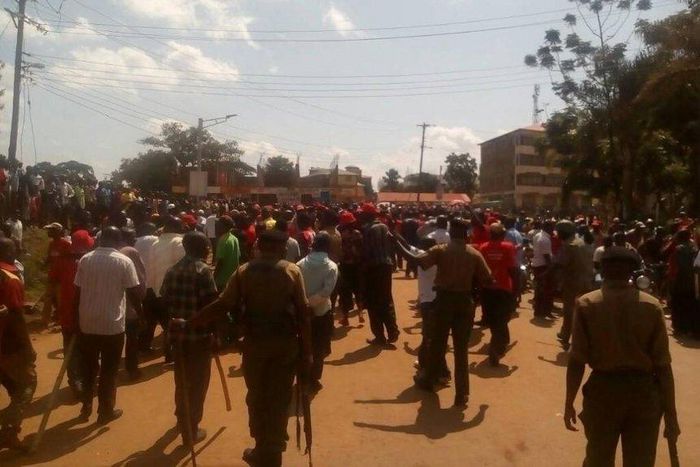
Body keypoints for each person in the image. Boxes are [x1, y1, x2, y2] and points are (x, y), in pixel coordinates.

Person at [191, 229, 311, 467]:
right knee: (279, 398)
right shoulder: (292, 271)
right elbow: (303, 315)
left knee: (257, 397)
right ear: (282, 248)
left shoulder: (244, 271)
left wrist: (192, 322)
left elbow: (223, 305)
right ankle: (273, 451)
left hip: (255, 346)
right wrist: (307, 353)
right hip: (285, 347)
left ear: (258, 246)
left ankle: (261, 448)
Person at [564, 247, 680, 467]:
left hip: (602, 393)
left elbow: (577, 360)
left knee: (598, 459)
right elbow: (663, 366)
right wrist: (671, 415)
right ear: (632, 272)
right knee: (640, 461)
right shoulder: (651, 305)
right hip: (643, 395)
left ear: (601, 270)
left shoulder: (587, 304)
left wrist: (569, 401)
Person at [394, 218, 492, 408]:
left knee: (437, 344)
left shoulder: (441, 250)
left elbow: (416, 261)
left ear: (451, 232)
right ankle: (462, 394)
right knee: (461, 350)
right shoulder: (474, 253)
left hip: (444, 301)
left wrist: (396, 244)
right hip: (465, 303)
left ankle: (428, 381)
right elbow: (488, 279)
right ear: (466, 234)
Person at [74, 226, 142, 424]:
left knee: (89, 368)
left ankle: (86, 406)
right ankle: (105, 411)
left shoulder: (86, 259)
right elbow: (134, 293)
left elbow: (77, 292)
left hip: (87, 322)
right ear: (119, 242)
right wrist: (140, 312)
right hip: (112, 325)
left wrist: (75, 320)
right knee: (109, 371)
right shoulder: (124, 261)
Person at [161, 231, 218, 446]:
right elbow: (211, 306)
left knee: (181, 380)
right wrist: (215, 334)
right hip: (199, 336)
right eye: (206, 247)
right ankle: (190, 428)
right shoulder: (203, 271)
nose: (208, 250)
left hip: (177, 336)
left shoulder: (172, 270)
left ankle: (181, 417)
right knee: (198, 384)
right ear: (200, 248)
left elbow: (164, 300)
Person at [0, 238, 36, 451]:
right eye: (14, 248)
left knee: (13, 386)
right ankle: (8, 432)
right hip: (9, 345)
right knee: (27, 385)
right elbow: (16, 317)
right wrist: (28, 347)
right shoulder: (11, 279)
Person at [296, 232, 338, 393]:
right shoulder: (332, 267)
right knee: (319, 348)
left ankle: (303, 376)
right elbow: (326, 292)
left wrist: (305, 304)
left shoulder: (299, 264)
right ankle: (313, 378)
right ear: (328, 247)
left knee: (303, 346)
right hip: (321, 313)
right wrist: (312, 304)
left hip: (302, 314)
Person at [144, 216, 185, 362]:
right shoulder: (179, 242)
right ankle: (170, 353)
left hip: (154, 289)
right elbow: (183, 267)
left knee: (165, 323)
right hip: (172, 290)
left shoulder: (155, 243)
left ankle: (166, 351)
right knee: (172, 324)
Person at [478, 223, 518, 366]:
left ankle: (502, 342)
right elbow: (513, 270)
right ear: (502, 235)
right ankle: (496, 348)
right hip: (503, 288)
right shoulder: (508, 247)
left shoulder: (483, 248)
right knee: (502, 318)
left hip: (487, 289)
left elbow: (480, 271)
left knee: (495, 319)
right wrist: (516, 291)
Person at [360, 203, 400, 345]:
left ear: (367, 215)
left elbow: (366, 252)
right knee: (386, 299)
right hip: (386, 267)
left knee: (373, 303)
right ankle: (393, 331)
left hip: (373, 269)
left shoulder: (367, 229)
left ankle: (379, 336)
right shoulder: (384, 226)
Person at [553, 220, 592, 350]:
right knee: (581, 310)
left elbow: (559, 264)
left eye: (558, 232)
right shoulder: (580, 242)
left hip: (573, 282)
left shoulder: (569, 245)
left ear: (564, 232)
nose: (557, 234)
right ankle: (566, 333)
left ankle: (567, 336)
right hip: (586, 281)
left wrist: (547, 275)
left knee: (569, 311)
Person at [119, 228, 147, 381]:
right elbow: (138, 280)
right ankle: (132, 369)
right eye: (133, 237)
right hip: (129, 305)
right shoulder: (130, 252)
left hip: (111, 307)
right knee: (131, 339)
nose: (135, 239)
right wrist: (141, 306)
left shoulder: (112, 251)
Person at [667, 229, 698, 336]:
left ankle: (679, 328)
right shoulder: (695, 249)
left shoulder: (678, 249)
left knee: (677, 304)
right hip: (693, 282)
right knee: (690, 304)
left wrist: (671, 280)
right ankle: (689, 327)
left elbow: (673, 267)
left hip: (680, 281)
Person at [337, 210, 364, 326]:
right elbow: (362, 249)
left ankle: (345, 318)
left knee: (344, 293)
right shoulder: (358, 233)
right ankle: (361, 313)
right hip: (357, 265)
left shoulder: (340, 234)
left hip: (344, 266)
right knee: (358, 290)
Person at [42, 222, 70, 326]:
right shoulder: (51, 244)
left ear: (58, 232)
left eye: (51, 230)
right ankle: (45, 320)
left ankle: (60, 320)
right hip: (52, 275)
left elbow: (69, 260)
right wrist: (44, 264)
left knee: (60, 300)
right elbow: (49, 258)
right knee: (48, 298)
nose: (49, 232)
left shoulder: (66, 244)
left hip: (61, 277)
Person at [532, 220, 555, 319]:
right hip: (543, 266)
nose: (553, 230)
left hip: (537, 265)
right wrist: (550, 269)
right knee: (547, 290)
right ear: (548, 228)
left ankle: (538, 311)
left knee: (539, 290)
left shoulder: (538, 235)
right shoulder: (545, 239)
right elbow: (547, 257)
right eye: (552, 227)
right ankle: (546, 311)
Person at [213, 216, 240, 291]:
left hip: (222, 279)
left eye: (218, 225)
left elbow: (220, 262)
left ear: (223, 227)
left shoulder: (222, 241)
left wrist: (214, 277)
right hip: (232, 277)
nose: (216, 227)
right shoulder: (234, 238)